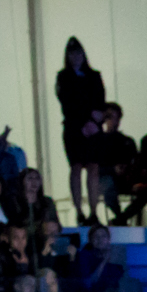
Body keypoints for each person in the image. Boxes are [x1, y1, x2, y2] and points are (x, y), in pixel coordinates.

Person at [54, 37, 107, 224]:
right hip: (74, 129)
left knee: (93, 168)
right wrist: (84, 122)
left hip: (93, 128)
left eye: (78, 53)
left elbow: (101, 100)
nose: (76, 57)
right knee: (76, 167)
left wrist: (93, 121)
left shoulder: (94, 75)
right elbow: (67, 103)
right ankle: (78, 211)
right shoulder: (63, 77)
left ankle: (93, 211)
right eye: (72, 54)